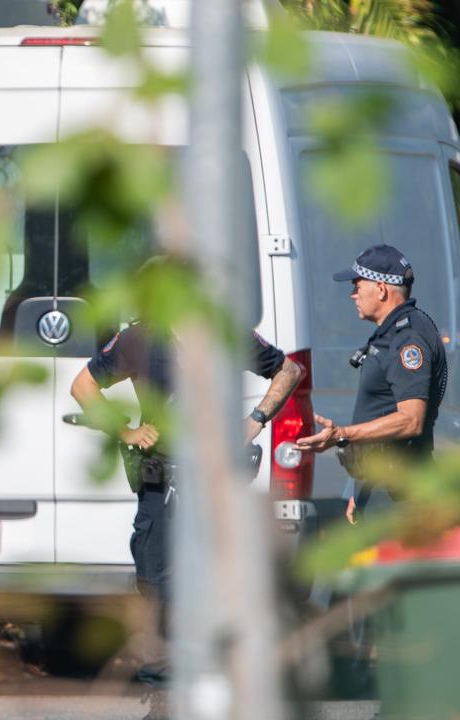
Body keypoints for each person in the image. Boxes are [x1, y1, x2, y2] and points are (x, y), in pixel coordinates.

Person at [68, 269, 305, 697]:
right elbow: (82, 386)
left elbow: (288, 371)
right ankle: (161, 670)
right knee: (154, 572)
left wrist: (254, 422)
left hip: (214, 478)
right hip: (162, 477)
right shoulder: (139, 339)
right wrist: (125, 433)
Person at [295, 245, 447, 521]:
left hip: (399, 495)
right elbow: (382, 409)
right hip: (381, 487)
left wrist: (343, 434)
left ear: (381, 289)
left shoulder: (407, 339)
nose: (353, 294)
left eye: (357, 285)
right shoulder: (393, 333)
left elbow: (411, 420)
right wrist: (361, 488)